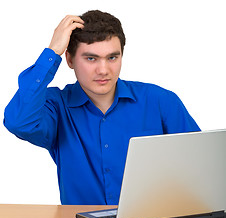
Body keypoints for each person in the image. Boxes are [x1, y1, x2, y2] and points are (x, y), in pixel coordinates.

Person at [4, 10, 200, 205]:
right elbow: (19, 122)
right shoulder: (56, 106)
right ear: (70, 60)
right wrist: (52, 52)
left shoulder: (160, 101)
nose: (104, 70)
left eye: (112, 58)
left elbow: (200, 165)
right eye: (91, 58)